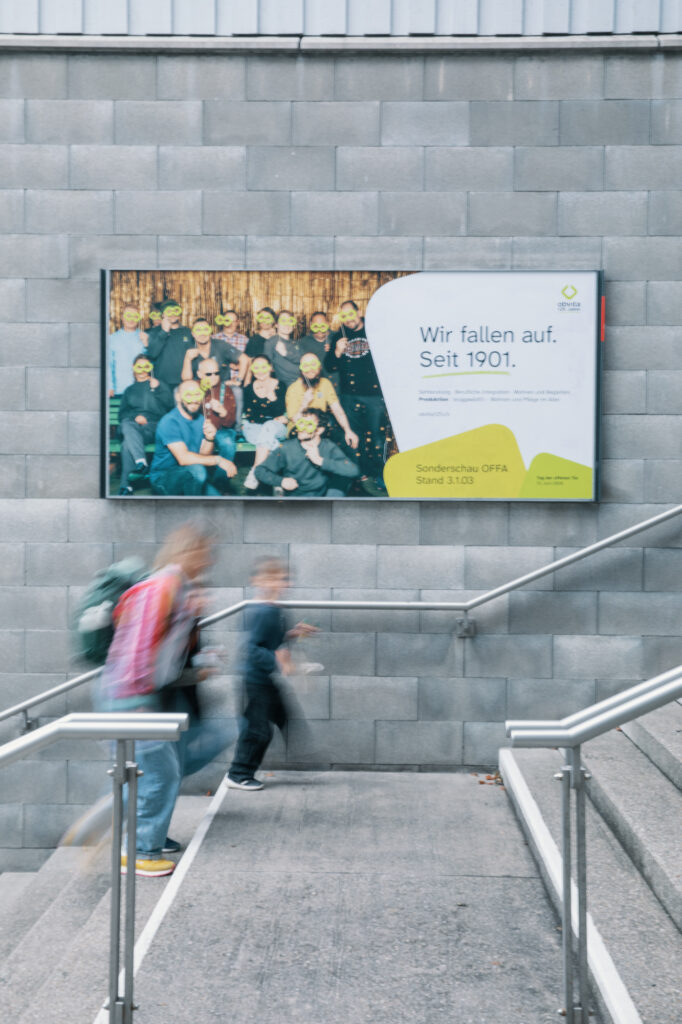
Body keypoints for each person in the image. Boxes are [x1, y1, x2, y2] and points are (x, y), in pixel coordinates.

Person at [97, 526, 236, 875]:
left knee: (158, 771)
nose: (209, 560)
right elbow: (138, 648)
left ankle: (132, 836)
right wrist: (140, 698)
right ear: (186, 551)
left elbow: (164, 656)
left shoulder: (177, 588)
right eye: (204, 552)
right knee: (160, 774)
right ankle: (140, 852)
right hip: (131, 696)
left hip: (138, 694)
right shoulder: (163, 587)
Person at [227, 557, 317, 791]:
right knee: (258, 730)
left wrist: (292, 634)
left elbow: (269, 640)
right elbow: (251, 648)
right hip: (254, 680)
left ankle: (300, 752)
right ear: (260, 581)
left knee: (282, 717)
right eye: (278, 579)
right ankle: (238, 774)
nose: (285, 584)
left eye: (286, 579)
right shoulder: (261, 610)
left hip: (265, 679)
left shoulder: (274, 609)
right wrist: (277, 659)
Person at [325, 300, 388, 495]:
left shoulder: (375, 330)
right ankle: (359, 475)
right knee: (353, 439)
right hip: (349, 396)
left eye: (351, 314)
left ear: (359, 312)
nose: (348, 319)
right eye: (344, 316)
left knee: (377, 439)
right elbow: (329, 366)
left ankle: (381, 475)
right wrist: (336, 352)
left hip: (374, 396)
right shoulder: (339, 335)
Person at [150, 380, 237, 496]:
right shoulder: (169, 421)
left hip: (192, 473)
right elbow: (184, 458)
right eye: (188, 395)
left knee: (219, 502)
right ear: (178, 397)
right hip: (164, 478)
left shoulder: (201, 419)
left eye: (197, 394)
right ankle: (190, 506)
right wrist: (218, 460)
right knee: (197, 470)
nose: (194, 400)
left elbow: (203, 455)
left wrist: (209, 438)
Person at [255, 411, 359, 497]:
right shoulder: (286, 448)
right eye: (301, 423)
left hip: (322, 497)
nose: (301, 429)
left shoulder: (328, 447)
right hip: (296, 499)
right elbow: (260, 471)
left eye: (309, 425)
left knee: (341, 480)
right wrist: (281, 481)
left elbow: (353, 470)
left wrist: (319, 460)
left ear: (319, 430)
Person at [117, 353, 173, 495]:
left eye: (145, 366)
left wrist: (158, 389)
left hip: (154, 427)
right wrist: (135, 417)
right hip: (134, 428)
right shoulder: (129, 390)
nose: (142, 370)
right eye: (139, 366)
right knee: (126, 429)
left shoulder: (159, 385)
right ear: (133, 368)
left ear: (150, 368)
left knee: (127, 441)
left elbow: (170, 406)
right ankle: (140, 464)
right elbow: (122, 414)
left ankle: (127, 484)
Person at [285, 353, 358, 452]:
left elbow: (337, 409)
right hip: (299, 428)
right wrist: (304, 403)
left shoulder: (325, 383)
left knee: (347, 440)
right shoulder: (293, 388)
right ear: (301, 370)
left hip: (320, 427)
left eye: (313, 365)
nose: (310, 369)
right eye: (306, 366)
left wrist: (348, 430)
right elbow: (295, 419)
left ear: (319, 367)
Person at [239, 355, 288, 491]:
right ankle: (277, 480)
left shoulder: (280, 385)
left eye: (263, 367)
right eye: (256, 368)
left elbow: (280, 411)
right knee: (272, 443)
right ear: (252, 370)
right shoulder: (248, 389)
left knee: (269, 426)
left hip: (275, 427)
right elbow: (249, 414)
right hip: (253, 427)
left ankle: (255, 471)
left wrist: (273, 399)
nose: (260, 371)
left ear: (270, 368)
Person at [181, 317, 245, 388]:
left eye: (206, 329)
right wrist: (187, 359)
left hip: (223, 387)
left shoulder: (221, 345)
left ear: (210, 332)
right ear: (193, 334)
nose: (202, 334)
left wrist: (239, 380)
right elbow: (186, 380)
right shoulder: (189, 350)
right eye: (198, 330)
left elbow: (244, 359)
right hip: (199, 388)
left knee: (237, 390)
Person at [145, 298, 194, 391]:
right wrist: (164, 332)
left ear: (179, 313)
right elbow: (152, 354)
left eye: (175, 310)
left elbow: (193, 357)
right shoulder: (155, 332)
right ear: (163, 314)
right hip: (162, 383)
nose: (172, 314)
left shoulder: (187, 332)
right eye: (169, 311)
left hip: (183, 382)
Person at [196, 356, 238, 464]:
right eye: (209, 374)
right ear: (199, 374)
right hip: (197, 430)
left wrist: (223, 413)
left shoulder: (226, 390)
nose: (214, 377)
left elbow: (231, 423)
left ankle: (222, 474)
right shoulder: (193, 388)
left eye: (216, 373)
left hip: (221, 430)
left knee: (228, 442)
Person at [213, 310, 249, 425]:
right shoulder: (214, 339)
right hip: (218, 382)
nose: (230, 324)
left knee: (238, 392)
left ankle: (238, 427)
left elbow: (249, 362)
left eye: (234, 321)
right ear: (222, 321)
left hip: (239, 382)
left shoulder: (245, 340)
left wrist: (240, 378)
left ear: (238, 322)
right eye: (227, 320)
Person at [109, 303, 148, 397]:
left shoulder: (145, 337)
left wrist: (147, 345)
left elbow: (151, 363)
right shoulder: (112, 339)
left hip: (141, 389)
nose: (131, 319)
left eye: (135, 316)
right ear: (122, 317)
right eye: (128, 316)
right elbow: (109, 365)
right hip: (119, 389)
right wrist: (109, 386)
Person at [263, 310, 307, 388]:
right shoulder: (271, 342)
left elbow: (304, 361)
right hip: (287, 385)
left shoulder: (296, 343)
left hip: (305, 381)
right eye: (283, 321)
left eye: (290, 321)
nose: (287, 324)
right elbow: (265, 366)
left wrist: (286, 353)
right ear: (276, 324)